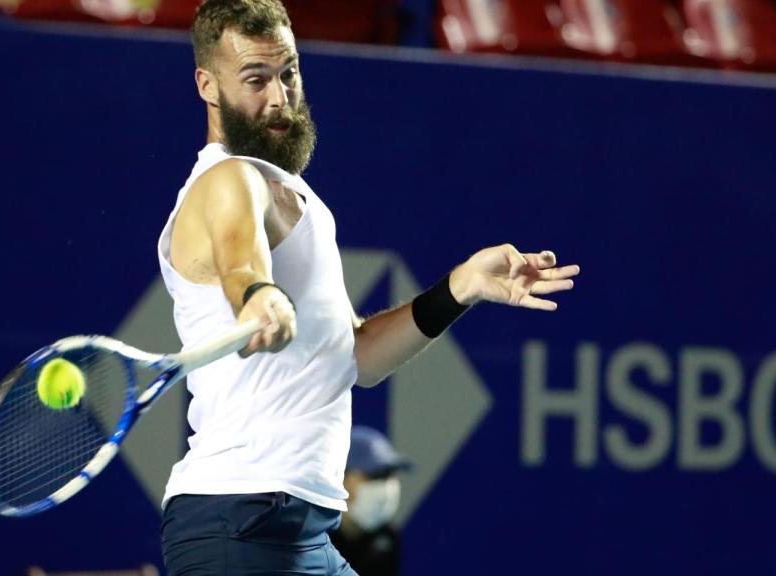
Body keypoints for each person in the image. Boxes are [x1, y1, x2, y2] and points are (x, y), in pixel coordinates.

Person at [156, 1, 580, 574]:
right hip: (239, 523)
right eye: (255, 79)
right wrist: (258, 294)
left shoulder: (302, 201)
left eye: (289, 73)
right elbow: (240, 259)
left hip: (300, 529)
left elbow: (357, 356)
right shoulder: (228, 181)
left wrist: (459, 288)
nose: (279, 97)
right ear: (207, 85)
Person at [330, 426, 412, 576]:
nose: (386, 486)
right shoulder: (310, 538)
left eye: (389, 475)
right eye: (376, 475)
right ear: (341, 478)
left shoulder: (388, 537)